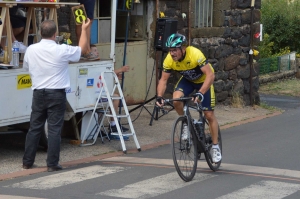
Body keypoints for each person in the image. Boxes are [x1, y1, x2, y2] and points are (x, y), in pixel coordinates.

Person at [22, 19, 91, 172]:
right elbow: (82, 50)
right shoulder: (62, 50)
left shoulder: (31, 49)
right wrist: (84, 29)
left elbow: (26, 67)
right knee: (54, 129)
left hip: (38, 93)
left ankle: (27, 161)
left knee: (34, 128)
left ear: (41, 33)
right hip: (56, 93)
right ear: (55, 34)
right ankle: (52, 163)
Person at [156, 33, 222, 163]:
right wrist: (159, 97)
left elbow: (210, 75)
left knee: (208, 114)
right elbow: (163, 80)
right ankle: (186, 122)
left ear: (183, 48)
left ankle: (215, 146)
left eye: (175, 50)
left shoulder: (195, 54)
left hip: (204, 81)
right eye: (170, 50)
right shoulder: (169, 60)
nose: (172, 53)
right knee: (176, 99)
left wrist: (201, 93)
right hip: (188, 81)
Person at [90, 45, 129, 140]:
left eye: (97, 50)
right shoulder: (91, 64)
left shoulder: (98, 63)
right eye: (95, 51)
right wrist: (120, 70)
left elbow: (104, 74)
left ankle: (112, 125)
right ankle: (113, 125)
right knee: (115, 97)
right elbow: (102, 74)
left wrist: (114, 74)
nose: (97, 52)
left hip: (97, 93)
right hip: (93, 95)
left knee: (115, 96)